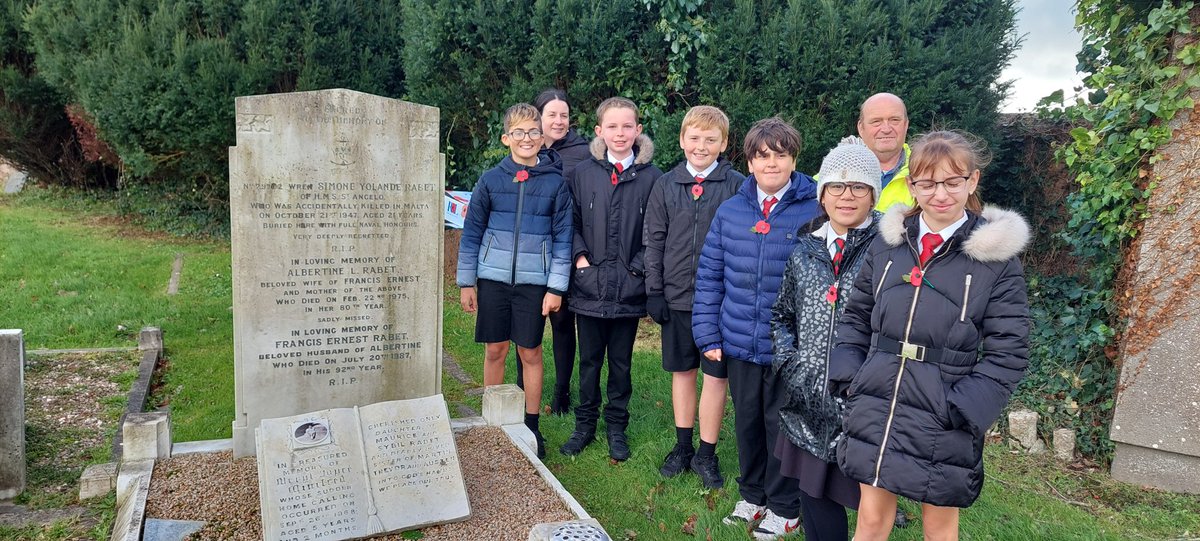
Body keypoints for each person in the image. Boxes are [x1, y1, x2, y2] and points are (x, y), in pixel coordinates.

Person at [828, 130, 1030, 541]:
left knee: (938, 524)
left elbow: (1009, 350)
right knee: (870, 518)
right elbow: (855, 316)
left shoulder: (996, 260)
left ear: (972, 181)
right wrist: (850, 376)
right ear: (912, 185)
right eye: (927, 183)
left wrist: (965, 407)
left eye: (952, 182)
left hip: (943, 406)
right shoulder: (888, 244)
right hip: (878, 396)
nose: (940, 194)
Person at [692, 117, 818, 540]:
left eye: (780, 155)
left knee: (780, 426)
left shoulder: (815, 208)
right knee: (746, 422)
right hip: (739, 341)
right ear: (749, 162)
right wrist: (708, 334)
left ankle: (785, 506)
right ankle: (752, 495)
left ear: (794, 159)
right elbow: (710, 275)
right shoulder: (730, 210)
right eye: (762, 156)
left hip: (789, 347)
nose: (771, 164)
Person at [770, 140, 882, 541]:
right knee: (813, 498)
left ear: (873, 195)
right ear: (822, 194)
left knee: (866, 508)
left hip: (862, 404)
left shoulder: (889, 250)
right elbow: (782, 315)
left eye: (858, 187)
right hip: (806, 399)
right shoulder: (805, 249)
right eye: (836, 186)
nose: (846, 196)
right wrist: (791, 364)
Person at [456, 103, 574, 459]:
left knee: (530, 351)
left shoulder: (556, 184)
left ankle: (532, 425)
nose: (527, 138)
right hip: (493, 279)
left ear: (543, 138)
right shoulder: (490, 180)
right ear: (506, 137)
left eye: (534, 132)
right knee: (496, 349)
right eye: (519, 132)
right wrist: (466, 282)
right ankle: (493, 420)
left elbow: (563, 237)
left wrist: (555, 287)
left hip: (533, 283)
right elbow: (472, 233)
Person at [643, 105, 744, 489]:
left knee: (715, 377)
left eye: (711, 139)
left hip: (720, 303)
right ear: (683, 140)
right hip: (677, 298)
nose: (702, 146)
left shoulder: (736, 185)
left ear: (724, 144)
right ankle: (682, 446)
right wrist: (655, 290)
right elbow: (653, 240)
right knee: (682, 372)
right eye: (695, 138)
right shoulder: (666, 184)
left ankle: (706, 453)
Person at [560, 97, 663, 461]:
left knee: (621, 364)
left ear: (638, 130)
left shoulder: (653, 178)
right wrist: (581, 260)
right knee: (589, 361)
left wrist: (637, 268)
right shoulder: (582, 174)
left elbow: (655, 232)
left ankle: (617, 427)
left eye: (627, 126)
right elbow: (568, 223)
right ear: (599, 131)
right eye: (613, 127)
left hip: (628, 288)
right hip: (588, 286)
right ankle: (584, 426)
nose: (620, 133)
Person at [510, 88, 590, 415]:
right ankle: (520, 385)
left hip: (563, 248)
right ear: (538, 117)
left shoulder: (583, 154)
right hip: (528, 251)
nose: (558, 121)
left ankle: (561, 392)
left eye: (564, 115)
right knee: (525, 321)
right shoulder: (524, 148)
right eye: (551, 114)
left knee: (560, 322)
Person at [856, 92, 915, 211]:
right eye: (876, 121)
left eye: (894, 120)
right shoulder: (833, 174)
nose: (886, 129)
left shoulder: (924, 171)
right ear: (861, 128)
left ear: (906, 125)